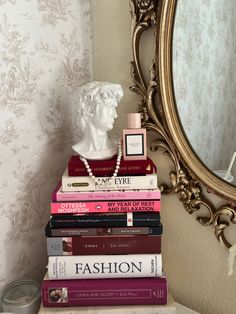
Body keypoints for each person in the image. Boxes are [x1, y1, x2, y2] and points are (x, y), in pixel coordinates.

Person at [72, 81, 123, 160]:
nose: (115, 115)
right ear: (90, 110)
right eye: (110, 107)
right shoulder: (80, 149)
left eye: (114, 108)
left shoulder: (115, 145)